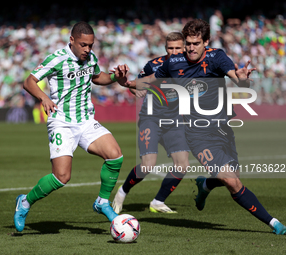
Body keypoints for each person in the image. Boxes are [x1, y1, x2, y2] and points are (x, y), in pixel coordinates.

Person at [120, 19, 286, 235]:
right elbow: (150, 81)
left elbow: (237, 78)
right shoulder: (174, 63)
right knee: (233, 182)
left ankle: (205, 185)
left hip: (223, 128)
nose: (190, 48)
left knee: (228, 176)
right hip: (197, 134)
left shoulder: (216, 57)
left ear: (206, 42)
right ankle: (274, 224)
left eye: (196, 43)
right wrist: (127, 82)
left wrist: (243, 80)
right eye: (188, 43)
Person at [13, 21, 129, 232]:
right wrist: (43, 97)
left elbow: (97, 77)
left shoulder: (90, 58)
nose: (87, 50)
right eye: (83, 45)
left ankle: (102, 202)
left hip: (85, 120)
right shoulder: (56, 59)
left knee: (115, 155)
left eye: (91, 45)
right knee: (62, 177)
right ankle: (25, 201)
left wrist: (115, 77)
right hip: (62, 123)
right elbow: (29, 81)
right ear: (72, 40)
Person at [112, 32, 190, 214]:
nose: (174, 51)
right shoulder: (153, 65)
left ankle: (158, 201)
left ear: (185, 48)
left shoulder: (190, 66)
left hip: (174, 121)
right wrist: (134, 90)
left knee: (183, 165)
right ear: (165, 49)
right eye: (170, 48)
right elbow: (137, 86)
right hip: (151, 118)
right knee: (148, 165)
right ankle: (122, 192)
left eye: (178, 48)